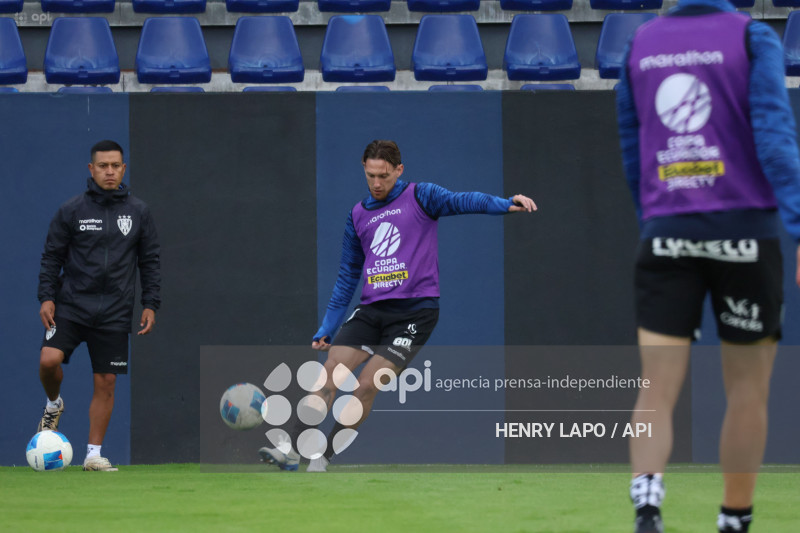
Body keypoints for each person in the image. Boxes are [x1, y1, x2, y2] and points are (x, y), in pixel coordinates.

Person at [616, 1, 800, 531]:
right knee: (747, 390)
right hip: (745, 235)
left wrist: (653, 222)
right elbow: (774, 138)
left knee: (656, 386)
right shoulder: (752, 36)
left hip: (666, 232)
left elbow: (635, 153)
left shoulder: (639, 42)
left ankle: (648, 506)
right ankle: (734, 520)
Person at [259, 139, 536, 472]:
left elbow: (461, 201)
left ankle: (322, 458)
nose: (377, 183)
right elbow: (348, 275)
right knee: (328, 376)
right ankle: (291, 450)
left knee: (366, 385)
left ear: (399, 170)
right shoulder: (358, 215)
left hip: (415, 314)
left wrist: (505, 204)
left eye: (385, 176)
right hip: (372, 312)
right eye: (371, 175)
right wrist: (328, 327)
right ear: (364, 169)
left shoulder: (421, 196)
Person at [37, 140, 161, 472]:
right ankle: (54, 403)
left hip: (115, 311)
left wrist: (150, 303)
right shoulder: (72, 210)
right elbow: (52, 257)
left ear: (123, 168)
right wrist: (46, 297)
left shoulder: (138, 212)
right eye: (103, 166)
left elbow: (149, 262)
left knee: (106, 381)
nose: (109, 171)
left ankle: (93, 454)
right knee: (49, 361)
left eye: (115, 165)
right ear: (91, 170)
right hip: (71, 306)